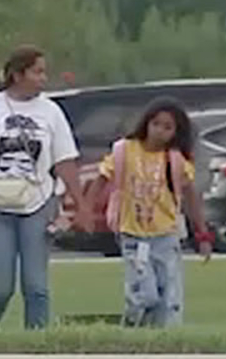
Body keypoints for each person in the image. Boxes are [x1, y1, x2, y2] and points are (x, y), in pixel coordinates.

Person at [0, 46, 91, 329]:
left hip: (37, 203)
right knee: (0, 288)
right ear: (17, 75)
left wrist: (81, 204)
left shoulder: (51, 112)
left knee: (36, 286)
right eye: (37, 72)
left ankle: (37, 342)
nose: (43, 78)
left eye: (44, 72)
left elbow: (65, 162)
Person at [86, 99, 214, 327]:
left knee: (168, 296)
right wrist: (85, 210)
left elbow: (191, 197)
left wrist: (202, 233)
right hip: (133, 235)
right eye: (156, 124)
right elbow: (101, 180)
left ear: (176, 133)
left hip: (165, 235)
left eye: (167, 127)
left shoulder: (175, 160)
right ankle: (133, 325)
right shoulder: (125, 150)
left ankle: (163, 340)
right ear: (146, 123)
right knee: (144, 293)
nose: (159, 131)